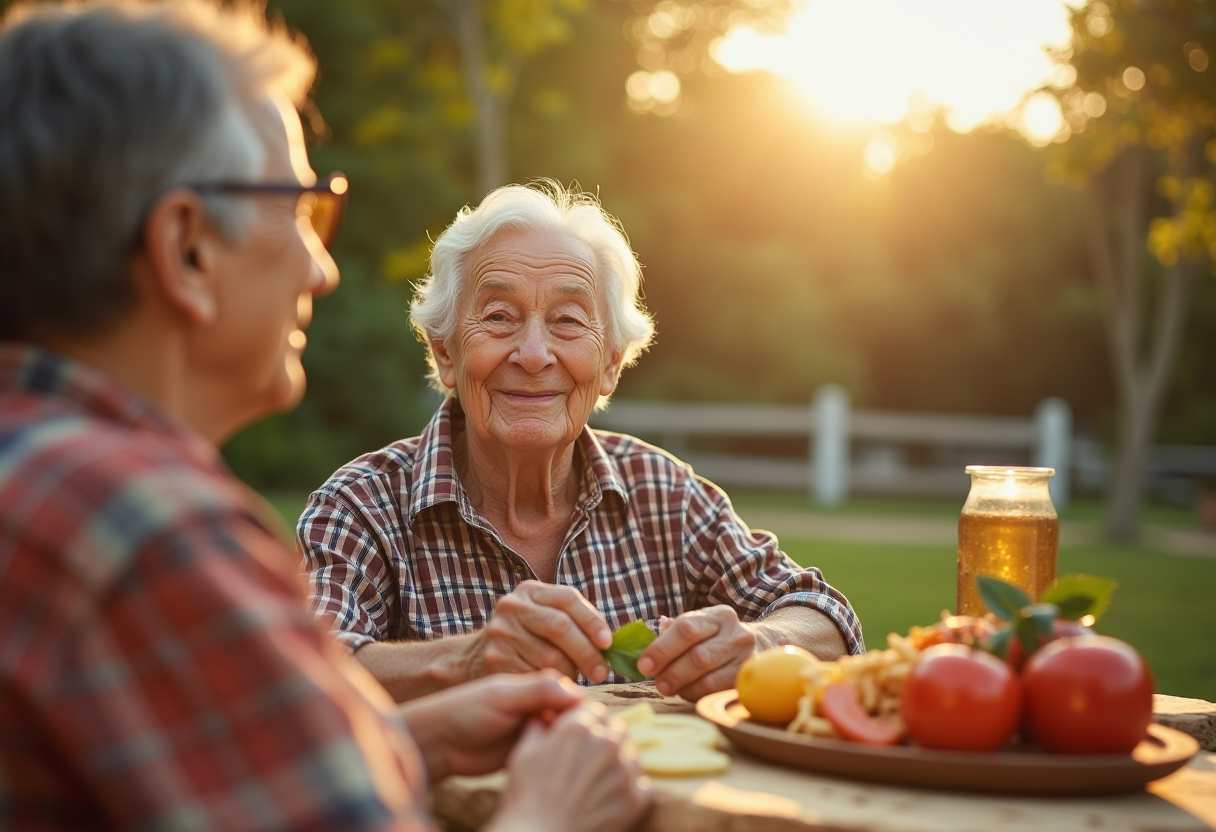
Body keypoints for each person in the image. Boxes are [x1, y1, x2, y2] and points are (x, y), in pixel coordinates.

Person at [0, 2, 649, 830]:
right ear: (189, 249)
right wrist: (551, 812)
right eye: (303, 209)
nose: (323, 269)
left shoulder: (33, 467)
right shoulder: (143, 529)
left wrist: (402, 737)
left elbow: (225, 782)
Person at [297, 183, 866, 704]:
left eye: (568, 321)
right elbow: (300, 674)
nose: (535, 353)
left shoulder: (665, 493)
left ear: (611, 365)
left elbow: (826, 616)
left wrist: (759, 643)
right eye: (499, 316)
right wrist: (467, 661)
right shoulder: (362, 507)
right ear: (446, 353)